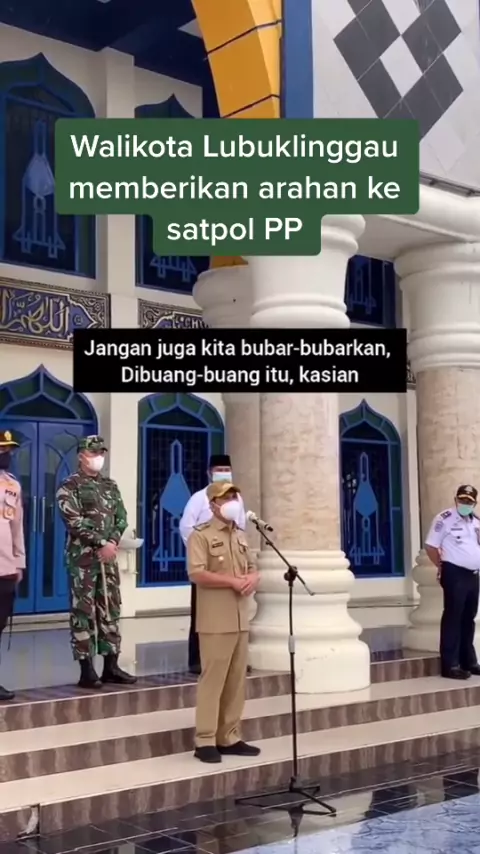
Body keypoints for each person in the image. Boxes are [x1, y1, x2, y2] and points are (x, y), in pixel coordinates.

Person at [187, 480, 261, 764]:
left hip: (241, 617)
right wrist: (231, 581)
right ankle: (205, 740)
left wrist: (253, 578)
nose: (231, 502)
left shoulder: (240, 534)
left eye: (233, 497)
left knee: (236, 681)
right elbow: (197, 573)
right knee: (213, 680)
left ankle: (229, 736)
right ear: (213, 505)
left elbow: (252, 567)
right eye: (225, 498)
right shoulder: (201, 536)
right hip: (216, 620)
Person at [56, 435, 136, 690]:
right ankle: (86, 670)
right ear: (81, 456)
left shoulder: (109, 485)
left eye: (101, 452)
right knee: (83, 611)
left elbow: (121, 517)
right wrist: (101, 543)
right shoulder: (70, 485)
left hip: (107, 559)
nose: (98, 457)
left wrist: (111, 542)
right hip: (83, 560)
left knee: (110, 608)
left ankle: (111, 666)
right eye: (94, 453)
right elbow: (73, 520)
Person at [180, 454, 246, 675]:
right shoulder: (199, 498)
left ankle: (233, 659)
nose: (223, 473)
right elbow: (186, 527)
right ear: (209, 473)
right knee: (203, 615)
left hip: (232, 563)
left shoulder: (238, 499)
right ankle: (197, 660)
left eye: (227, 469)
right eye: (219, 469)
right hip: (207, 564)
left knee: (233, 615)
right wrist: (201, 552)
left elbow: (241, 528)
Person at [425, 484, 480, 680]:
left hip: (473, 575)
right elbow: (431, 546)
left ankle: (468, 661)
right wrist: (442, 566)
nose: (465, 504)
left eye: (469, 501)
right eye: (462, 499)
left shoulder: (476, 521)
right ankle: (450, 665)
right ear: (455, 499)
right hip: (454, 573)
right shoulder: (444, 519)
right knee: (453, 617)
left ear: (474, 503)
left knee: (469, 617)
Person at [0, 430, 25, 702]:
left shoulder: (12, 485)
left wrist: (19, 562)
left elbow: (17, 527)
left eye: (8, 450)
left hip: (5, 567)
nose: (5, 454)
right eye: (1, 449)